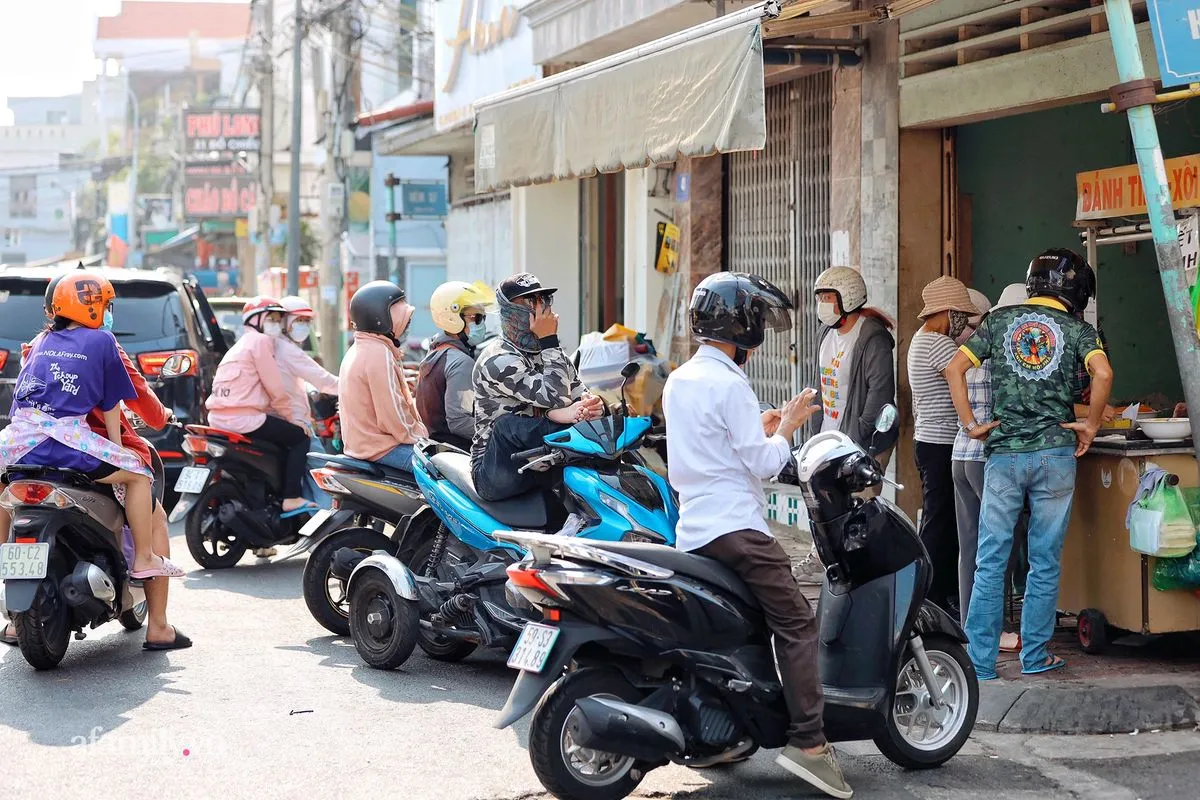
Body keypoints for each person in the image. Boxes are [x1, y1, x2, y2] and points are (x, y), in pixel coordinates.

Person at [663, 271, 851, 799]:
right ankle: (809, 743)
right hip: (738, 529)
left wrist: (762, 425)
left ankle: (723, 732)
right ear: (742, 326)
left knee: (731, 629)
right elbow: (765, 464)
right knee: (796, 623)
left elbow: (713, 446)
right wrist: (786, 426)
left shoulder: (682, 379)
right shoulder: (730, 383)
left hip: (693, 529)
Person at [947, 248, 1112, 679]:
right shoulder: (1077, 330)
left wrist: (971, 424)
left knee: (991, 558)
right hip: (1056, 454)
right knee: (1043, 560)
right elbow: (1104, 375)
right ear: (1075, 290)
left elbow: (953, 369)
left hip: (1003, 456)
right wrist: (1090, 426)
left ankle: (980, 663)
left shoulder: (997, 323)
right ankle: (1035, 656)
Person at [0, 273, 182, 587]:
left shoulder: (39, 342)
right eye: (107, 305)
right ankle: (143, 558)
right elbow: (111, 401)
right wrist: (116, 447)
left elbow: (20, 402)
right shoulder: (102, 341)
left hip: (19, 439)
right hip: (67, 441)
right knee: (138, 474)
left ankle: (5, 553)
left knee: (5, 488)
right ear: (93, 305)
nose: (109, 312)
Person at [794, 266, 897, 584]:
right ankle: (825, 557)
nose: (822, 304)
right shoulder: (825, 333)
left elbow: (880, 393)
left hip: (862, 440)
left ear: (848, 298)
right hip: (828, 434)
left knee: (859, 504)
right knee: (825, 505)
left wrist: (861, 440)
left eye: (828, 297)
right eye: (820, 297)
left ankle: (861, 570)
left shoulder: (872, 336)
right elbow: (819, 384)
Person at [471, 273, 603, 503]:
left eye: (542, 300)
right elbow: (556, 397)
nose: (540, 309)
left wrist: (592, 407)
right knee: (507, 426)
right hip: (498, 470)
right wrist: (549, 340)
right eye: (530, 302)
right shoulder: (497, 359)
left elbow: (577, 394)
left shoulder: (552, 353)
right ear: (510, 312)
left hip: (545, 463)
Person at [908, 275, 981, 619]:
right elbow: (972, 374)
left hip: (929, 440)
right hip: (940, 443)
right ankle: (934, 597)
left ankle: (936, 593)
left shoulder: (921, 341)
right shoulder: (937, 344)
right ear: (946, 312)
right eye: (961, 315)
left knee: (943, 519)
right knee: (941, 523)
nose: (963, 322)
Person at [206, 297, 316, 517]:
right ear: (256, 320)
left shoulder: (241, 344)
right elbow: (275, 388)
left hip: (217, 419)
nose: (274, 324)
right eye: (271, 319)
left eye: (277, 319)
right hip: (245, 419)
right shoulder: (261, 343)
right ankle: (291, 497)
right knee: (299, 438)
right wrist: (292, 419)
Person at [339, 281, 428, 471]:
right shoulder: (378, 353)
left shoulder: (361, 347)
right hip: (382, 449)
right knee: (442, 472)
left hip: (363, 446)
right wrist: (421, 437)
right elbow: (392, 413)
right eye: (404, 320)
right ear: (383, 318)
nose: (406, 327)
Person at [416, 281, 496, 451]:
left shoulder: (436, 352)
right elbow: (459, 422)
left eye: (483, 318)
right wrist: (500, 433)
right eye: (476, 318)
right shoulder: (460, 362)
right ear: (452, 318)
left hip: (435, 447)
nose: (481, 324)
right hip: (457, 452)